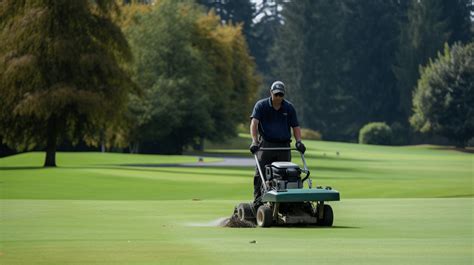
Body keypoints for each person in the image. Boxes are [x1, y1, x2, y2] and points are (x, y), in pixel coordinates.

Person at [249, 81, 306, 207]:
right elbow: (254, 123)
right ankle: (258, 202)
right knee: (260, 174)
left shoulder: (289, 108)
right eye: (276, 95)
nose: (278, 98)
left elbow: (295, 126)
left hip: (284, 146)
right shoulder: (261, 105)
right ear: (271, 93)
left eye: (281, 95)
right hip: (265, 145)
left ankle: (287, 202)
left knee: (287, 173)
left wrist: (299, 142)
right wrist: (254, 141)